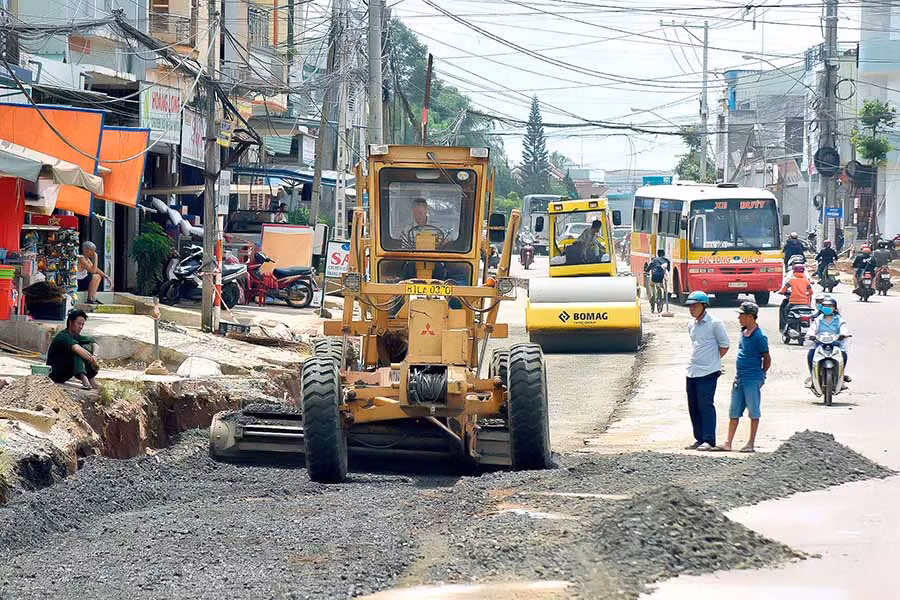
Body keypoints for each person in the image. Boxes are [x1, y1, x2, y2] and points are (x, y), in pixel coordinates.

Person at [719, 302, 770, 453]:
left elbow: (767, 358)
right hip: (740, 378)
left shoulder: (759, 337)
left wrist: (761, 376)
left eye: (741, 315)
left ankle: (751, 443)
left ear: (749, 317)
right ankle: (728, 442)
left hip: (752, 378)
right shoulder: (744, 332)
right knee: (734, 411)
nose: (739, 318)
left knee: (753, 411)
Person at [684, 291, 730, 451]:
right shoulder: (691, 325)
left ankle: (709, 439)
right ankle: (699, 437)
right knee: (694, 406)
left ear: (704, 306)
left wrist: (713, 361)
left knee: (706, 405)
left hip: (709, 371)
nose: (692, 309)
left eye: (695, 306)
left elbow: (724, 345)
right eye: (690, 306)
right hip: (693, 370)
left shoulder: (715, 323)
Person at [46, 309, 100, 390]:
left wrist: (94, 356)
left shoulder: (75, 335)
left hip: (65, 373)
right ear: (71, 323)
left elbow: (94, 343)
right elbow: (77, 349)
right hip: (55, 373)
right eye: (78, 323)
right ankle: (85, 380)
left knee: (87, 346)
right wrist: (92, 361)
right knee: (78, 352)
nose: (81, 327)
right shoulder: (63, 336)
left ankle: (91, 380)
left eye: (82, 324)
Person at [805, 297, 850, 386]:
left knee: (843, 355)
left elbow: (843, 328)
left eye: (830, 306)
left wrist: (844, 334)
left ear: (834, 308)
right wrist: (811, 335)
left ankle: (841, 376)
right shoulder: (818, 320)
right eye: (825, 306)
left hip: (835, 344)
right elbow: (812, 329)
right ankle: (813, 377)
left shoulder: (839, 320)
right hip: (819, 343)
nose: (827, 308)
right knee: (811, 354)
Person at [778, 264, 813, 331]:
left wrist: (781, 292)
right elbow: (811, 292)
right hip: (805, 303)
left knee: (785, 311)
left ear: (794, 271)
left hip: (793, 302)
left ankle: (785, 326)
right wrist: (806, 294)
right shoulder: (806, 281)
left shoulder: (791, 280)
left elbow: (783, 290)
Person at [644, 249, 670, 313]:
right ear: (664, 254)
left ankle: (653, 295)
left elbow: (649, 267)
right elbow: (668, 269)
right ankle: (662, 297)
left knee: (651, 285)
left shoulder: (654, 260)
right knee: (662, 286)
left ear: (657, 254)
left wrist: (646, 271)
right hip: (662, 276)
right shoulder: (667, 260)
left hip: (655, 275)